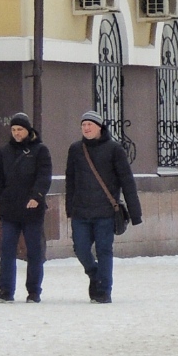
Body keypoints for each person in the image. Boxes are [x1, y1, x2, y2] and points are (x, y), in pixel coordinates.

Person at [65, 111, 142, 304]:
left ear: (100, 127)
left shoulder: (114, 149)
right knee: (81, 249)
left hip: (106, 212)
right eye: (83, 125)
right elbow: (70, 181)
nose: (86, 128)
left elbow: (127, 181)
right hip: (81, 211)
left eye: (90, 125)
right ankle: (94, 273)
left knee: (104, 251)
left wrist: (135, 213)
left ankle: (104, 290)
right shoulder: (75, 149)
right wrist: (69, 208)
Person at [0, 113, 52, 303]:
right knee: (7, 250)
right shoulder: (4, 151)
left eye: (20, 130)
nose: (16, 133)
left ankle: (34, 291)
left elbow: (44, 175)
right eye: (14, 130)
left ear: (28, 130)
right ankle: (6, 291)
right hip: (10, 210)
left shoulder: (40, 151)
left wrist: (37, 196)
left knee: (34, 251)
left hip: (32, 209)